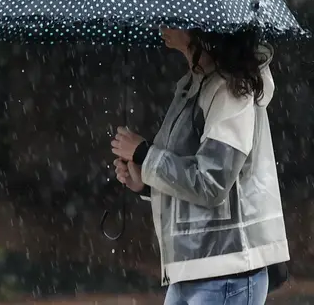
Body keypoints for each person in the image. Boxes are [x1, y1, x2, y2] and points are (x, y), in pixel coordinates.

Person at [110, 26, 290, 305]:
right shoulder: (193, 84)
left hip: (227, 270)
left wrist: (145, 155)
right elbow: (189, 172)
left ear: (201, 29)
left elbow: (211, 182)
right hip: (193, 268)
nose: (163, 25)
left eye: (173, 17)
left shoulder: (231, 90)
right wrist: (143, 181)